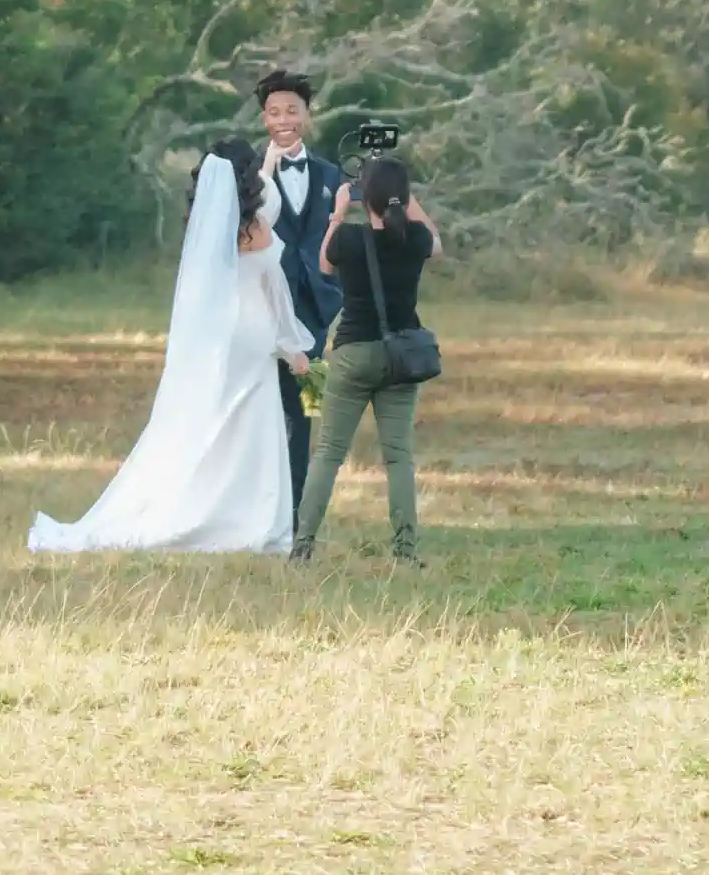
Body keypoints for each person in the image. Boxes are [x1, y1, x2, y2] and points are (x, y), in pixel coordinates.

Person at [29, 139, 314, 555]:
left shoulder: (207, 229)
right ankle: (248, 517)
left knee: (216, 419)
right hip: (253, 336)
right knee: (250, 425)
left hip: (221, 336)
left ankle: (210, 508)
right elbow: (277, 292)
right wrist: (294, 345)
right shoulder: (258, 231)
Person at [289, 153, 438, 568]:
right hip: (401, 357)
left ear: (364, 197)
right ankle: (406, 552)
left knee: (329, 453)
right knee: (398, 457)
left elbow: (323, 263)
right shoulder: (416, 240)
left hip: (353, 353)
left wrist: (339, 212)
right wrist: (404, 199)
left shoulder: (349, 240)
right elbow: (436, 242)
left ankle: (302, 546)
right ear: (403, 198)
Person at [255, 67, 342, 518]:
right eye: (274, 112)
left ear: (307, 115)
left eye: (292, 110)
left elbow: (344, 234)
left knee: (307, 413)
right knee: (261, 412)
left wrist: (335, 288)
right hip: (262, 311)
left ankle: (298, 518)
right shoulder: (247, 172)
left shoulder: (331, 173)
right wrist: (266, 173)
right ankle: (259, 508)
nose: (283, 119)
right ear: (263, 119)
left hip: (316, 314)